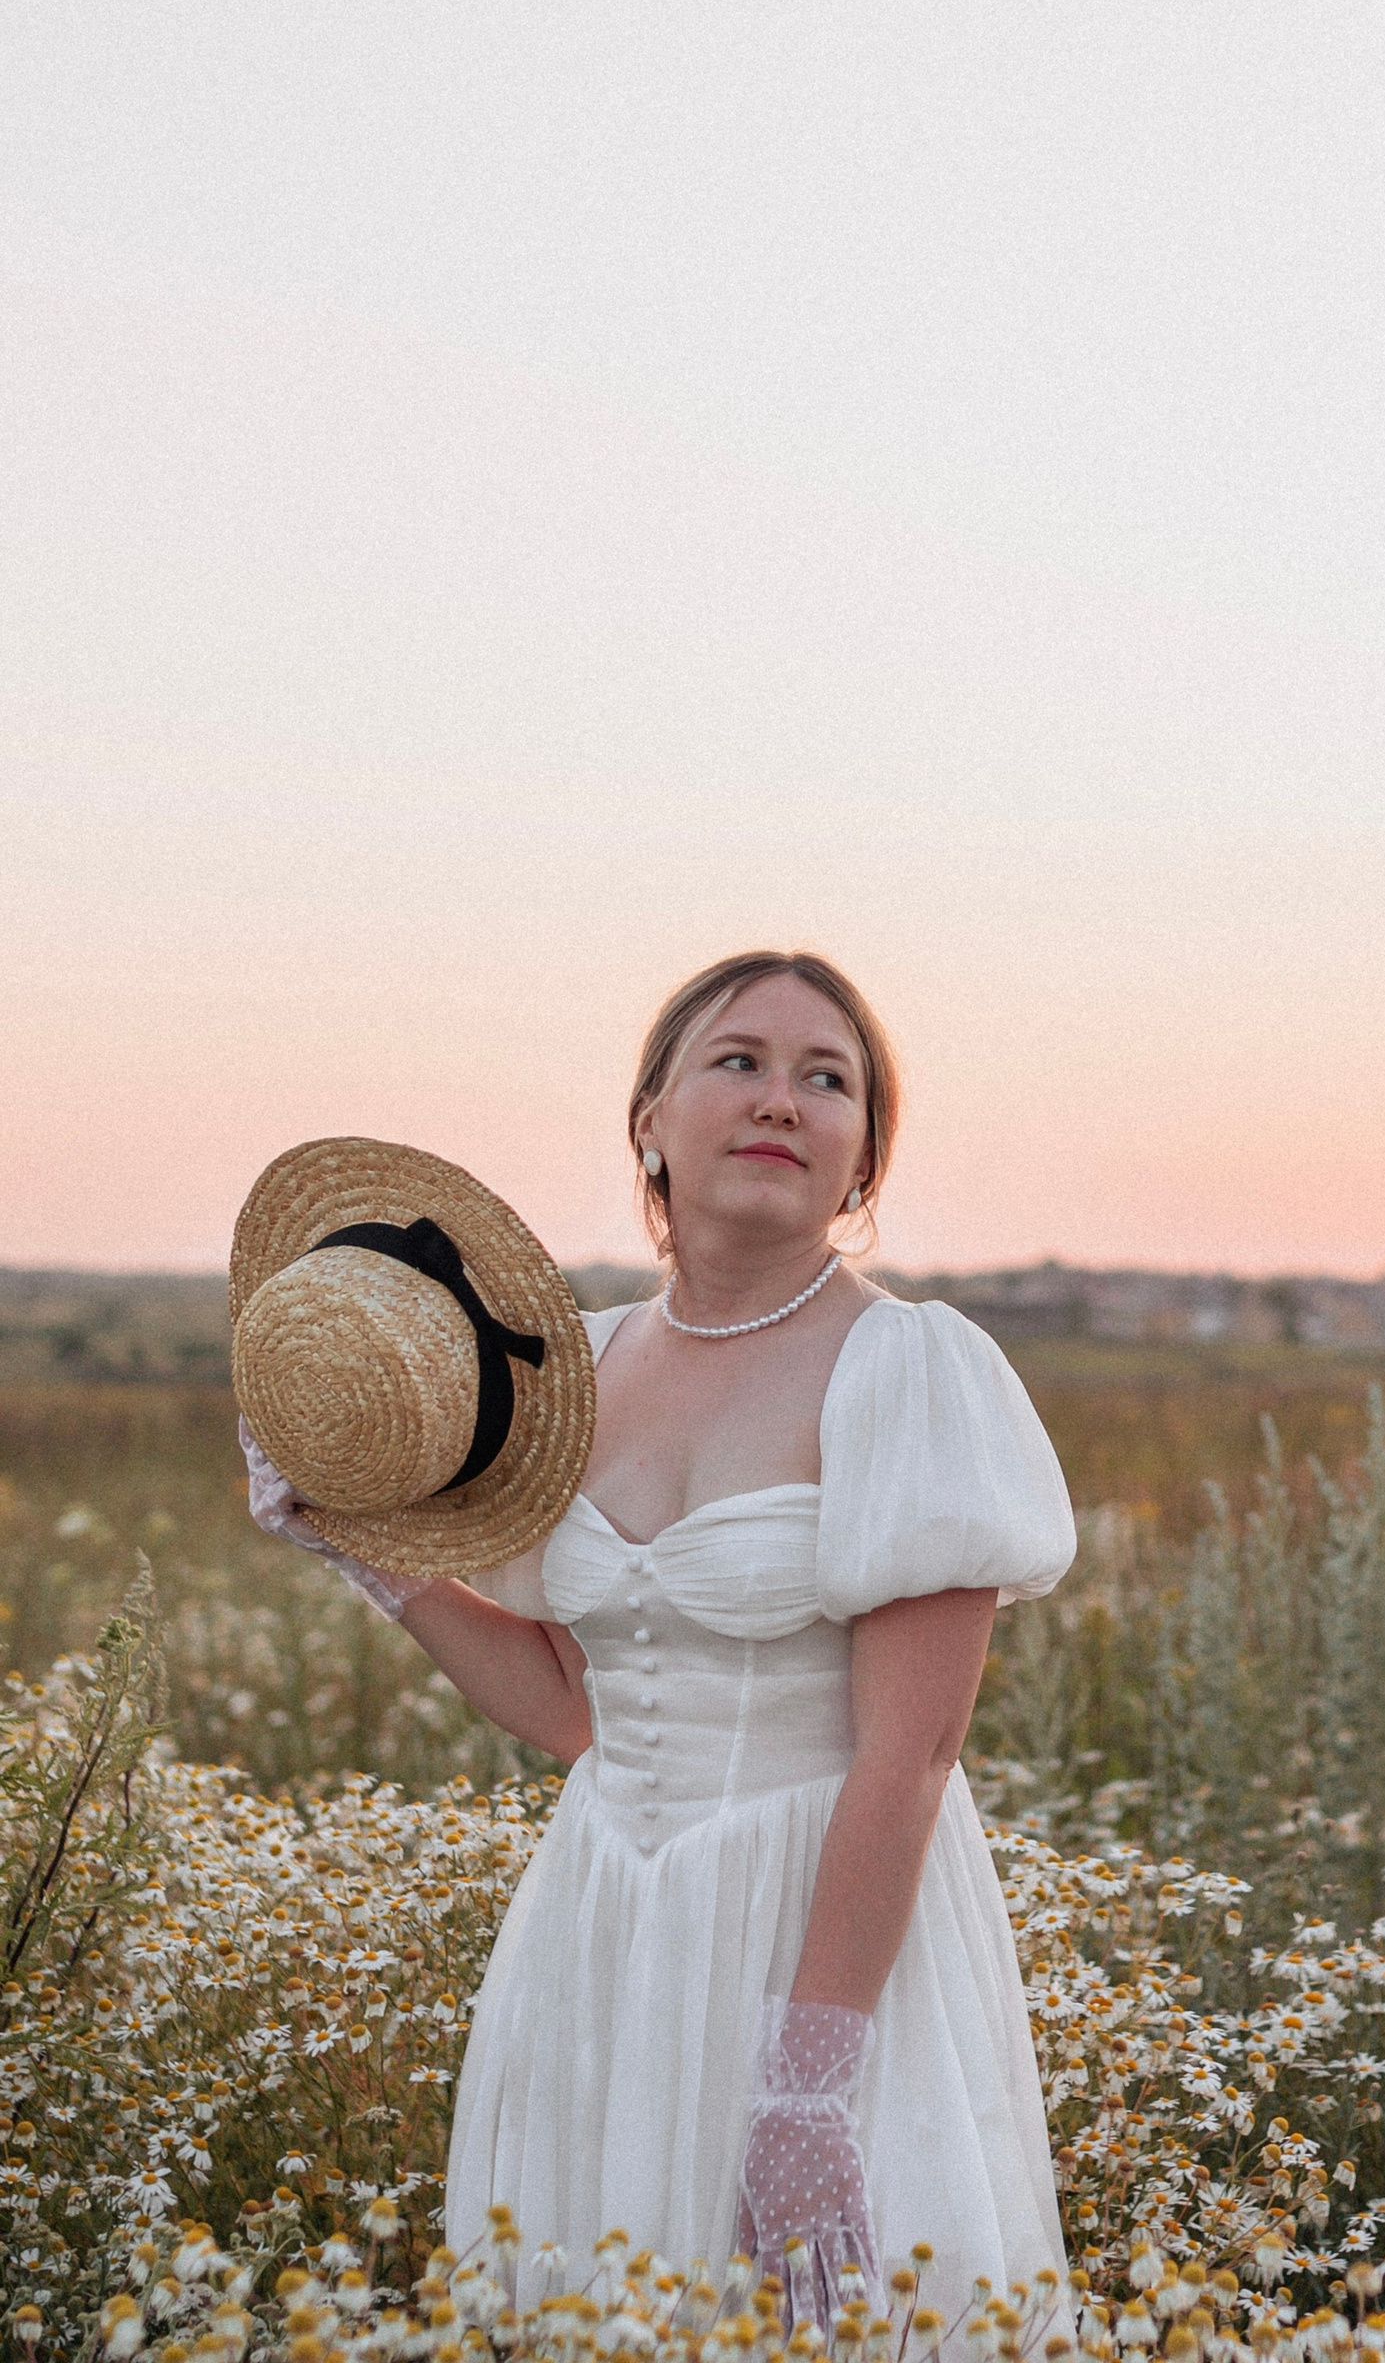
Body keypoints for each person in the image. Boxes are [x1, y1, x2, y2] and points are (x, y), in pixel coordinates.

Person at [238, 950, 1076, 2318]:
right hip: (606, 1923)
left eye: (829, 1080)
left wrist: (809, 2085)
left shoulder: (909, 1367)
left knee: (824, 2318)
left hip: (822, 1936)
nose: (782, 1100)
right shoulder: (573, 1370)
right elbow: (576, 1707)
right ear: (651, 1120)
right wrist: (364, 1549)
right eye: (739, 1061)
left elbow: (910, 1757)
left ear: (863, 1158)